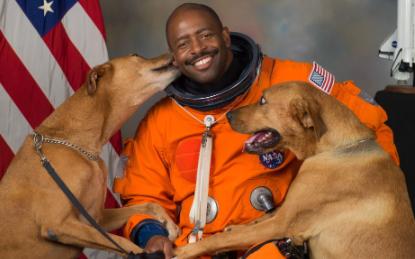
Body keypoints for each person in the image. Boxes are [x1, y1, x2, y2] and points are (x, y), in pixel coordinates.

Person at [113, 3, 400, 258]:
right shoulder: (160, 122)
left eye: (205, 35)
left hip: (276, 245)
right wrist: (152, 236)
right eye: (184, 44)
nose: (198, 49)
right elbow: (142, 196)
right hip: (191, 249)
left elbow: (368, 128)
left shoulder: (293, 83)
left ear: (225, 36)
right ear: (174, 57)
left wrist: (358, 211)